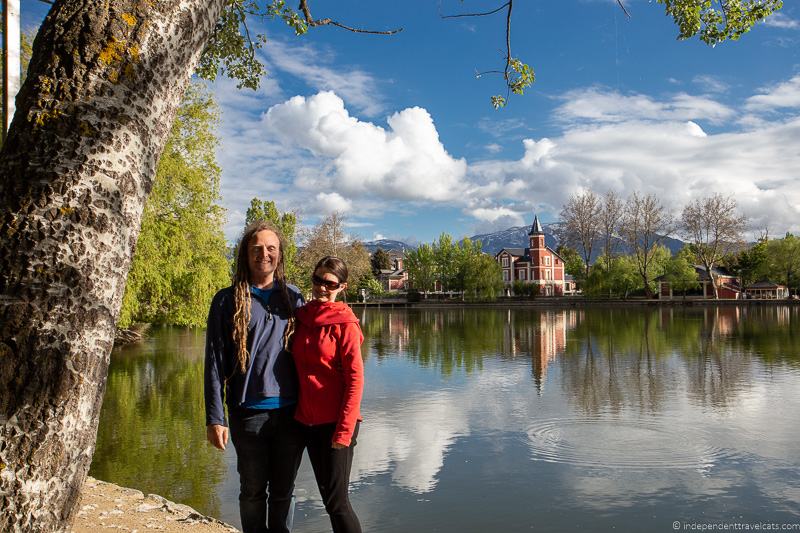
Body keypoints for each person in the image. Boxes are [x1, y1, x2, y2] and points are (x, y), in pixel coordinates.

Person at [204, 221, 304, 533]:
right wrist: (215, 417)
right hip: (247, 413)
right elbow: (214, 363)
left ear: (280, 254)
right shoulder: (226, 300)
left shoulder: (294, 298)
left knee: (283, 493)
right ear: (245, 255)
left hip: (292, 414)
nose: (264, 254)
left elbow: (317, 353)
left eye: (271, 248)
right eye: (256, 248)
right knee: (252, 491)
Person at [292, 256, 365, 533]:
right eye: (317, 280)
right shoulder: (302, 317)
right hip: (307, 423)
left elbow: (355, 380)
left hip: (337, 425)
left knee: (337, 502)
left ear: (342, 287)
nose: (322, 287)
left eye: (329, 283)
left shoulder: (345, 325)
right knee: (328, 498)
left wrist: (344, 432)